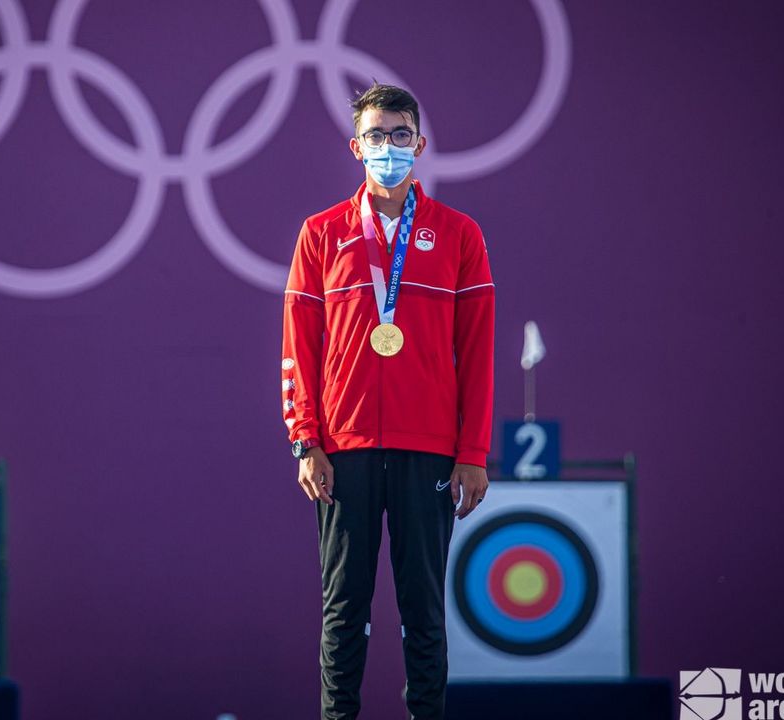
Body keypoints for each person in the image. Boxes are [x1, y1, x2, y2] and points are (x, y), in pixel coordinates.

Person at [280, 82, 495, 719]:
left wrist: (473, 451)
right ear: (355, 147)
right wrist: (305, 439)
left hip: (429, 449)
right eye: (375, 135)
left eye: (400, 135)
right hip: (341, 449)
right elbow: (298, 349)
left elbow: (479, 355)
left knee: (423, 609)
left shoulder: (459, 235)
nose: (388, 146)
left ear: (420, 145)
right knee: (343, 608)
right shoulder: (320, 235)